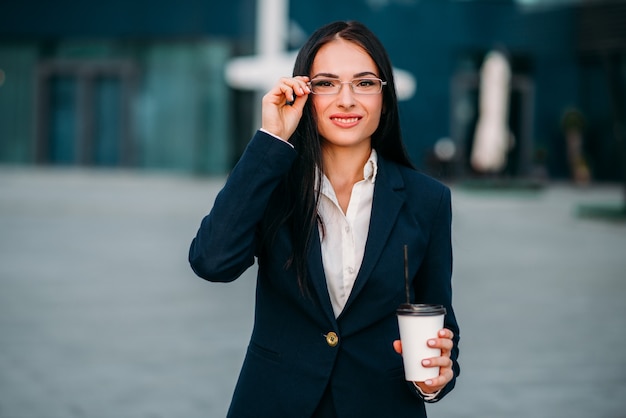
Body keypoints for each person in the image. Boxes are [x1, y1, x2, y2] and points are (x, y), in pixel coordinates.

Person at [189, 20, 460, 418]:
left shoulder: (427, 200)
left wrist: (438, 377)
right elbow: (212, 262)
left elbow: (439, 323)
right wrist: (271, 140)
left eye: (365, 83)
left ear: (384, 97)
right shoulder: (273, 182)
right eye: (327, 83)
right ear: (304, 92)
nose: (346, 99)